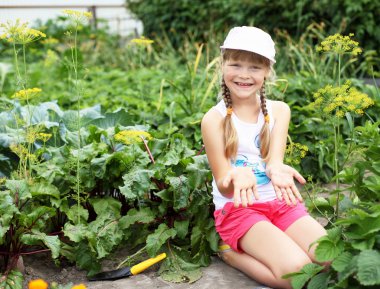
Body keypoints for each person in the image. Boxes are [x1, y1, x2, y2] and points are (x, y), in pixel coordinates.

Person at [201, 26, 327, 289]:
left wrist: (277, 171)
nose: (244, 75)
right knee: (298, 273)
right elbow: (224, 185)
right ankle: (231, 253)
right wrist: (235, 176)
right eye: (236, 64)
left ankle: (273, 240)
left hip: (278, 203)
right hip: (237, 209)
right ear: (223, 65)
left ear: (268, 71)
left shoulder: (279, 111)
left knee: (328, 258)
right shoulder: (213, 120)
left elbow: (274, 162)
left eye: (255, 68)